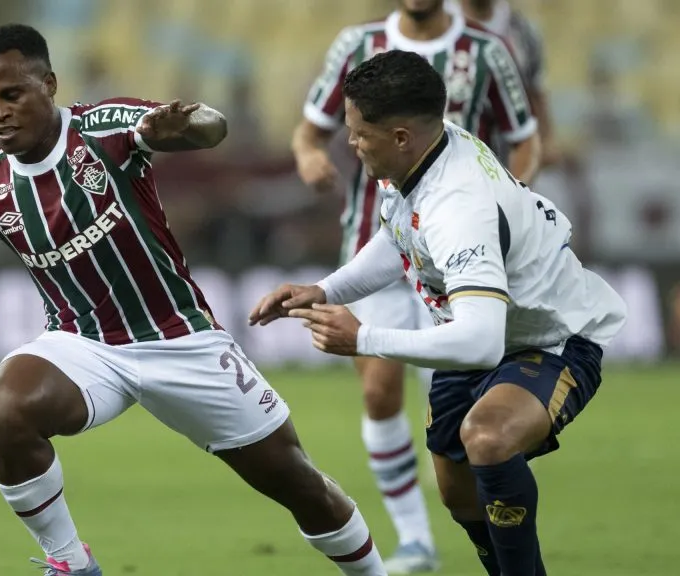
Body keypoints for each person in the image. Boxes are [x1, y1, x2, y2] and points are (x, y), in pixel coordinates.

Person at [0, 24, 389, 576]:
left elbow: (209, 128)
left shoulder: (105, 129)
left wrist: (191, 124)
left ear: (49, 85)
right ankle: (72, 564)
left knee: (297, 484)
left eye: (11, 94)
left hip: (181, 339)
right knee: (7, 406)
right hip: (85, 346)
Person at [251, 50, 626, 576]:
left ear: (401, 136)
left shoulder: (459, 207)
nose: (351, 144)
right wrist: (325, 290)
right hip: (474, 330)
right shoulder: (422, 153)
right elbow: (399, 238)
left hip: (550, 337)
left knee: (488, 438)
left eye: (359, 134)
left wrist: (363, 338)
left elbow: (481, 343)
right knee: (458, 493)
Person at [292, 0, 540, 571]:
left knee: (457, 401)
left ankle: (490, 521)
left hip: (458, 246)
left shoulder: (486, 51)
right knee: (379, 391)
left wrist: (505, 203)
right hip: (379, 243)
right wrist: (308, 157)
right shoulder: (357, 45)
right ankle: (415, 540)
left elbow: (526, 138)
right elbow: (309, 133)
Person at [450, 0, 561, 167]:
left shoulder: (522, 31)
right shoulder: (441, 26)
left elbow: (534, 89)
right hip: (456, 156)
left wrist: (547, 138)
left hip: (508, 154)